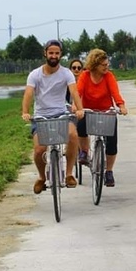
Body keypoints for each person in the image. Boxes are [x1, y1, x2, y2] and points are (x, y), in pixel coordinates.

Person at [21, 39, 85, 194]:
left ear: (60, 55)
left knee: (72, 135)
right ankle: (42, 177)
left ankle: (69, 174)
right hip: (41, 116)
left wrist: (80, 109)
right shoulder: (35, 74)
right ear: (45, 53)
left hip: (61, 113)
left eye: (57, 53)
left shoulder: (66, 73)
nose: (54, 56)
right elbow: (29, 93)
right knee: (39, 150)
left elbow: (74, 91)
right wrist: (25, 112)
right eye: (51, 53)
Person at [76, 49, 128, 187]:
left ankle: (109, 172)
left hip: (106, 112)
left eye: (107, 64)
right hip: (89, 111)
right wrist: (77, 108)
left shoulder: (109, 76)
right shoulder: (85, 76)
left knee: (111, 143)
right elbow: (78, 92)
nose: (106, 67)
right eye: (103, 65)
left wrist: (121, 106)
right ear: (94, 65)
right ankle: (84, 151)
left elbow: (115, 93)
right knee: (80, 125)